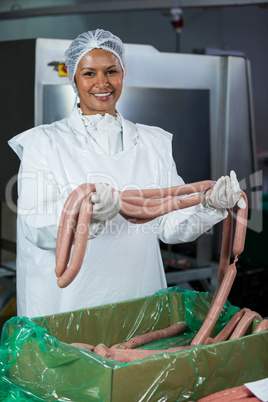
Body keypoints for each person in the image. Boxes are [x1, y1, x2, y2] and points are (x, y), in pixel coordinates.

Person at [8, 29, 245, 318]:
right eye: (89, 73)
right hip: (65, 307)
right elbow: (34, 226)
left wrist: (208, 206)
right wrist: (87, 216)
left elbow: (170, 227)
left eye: (111, 71)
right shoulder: (43, 143)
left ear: (123, 73)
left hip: (139, 297)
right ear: (73, 77)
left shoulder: (152, 142)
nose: (102, 83)